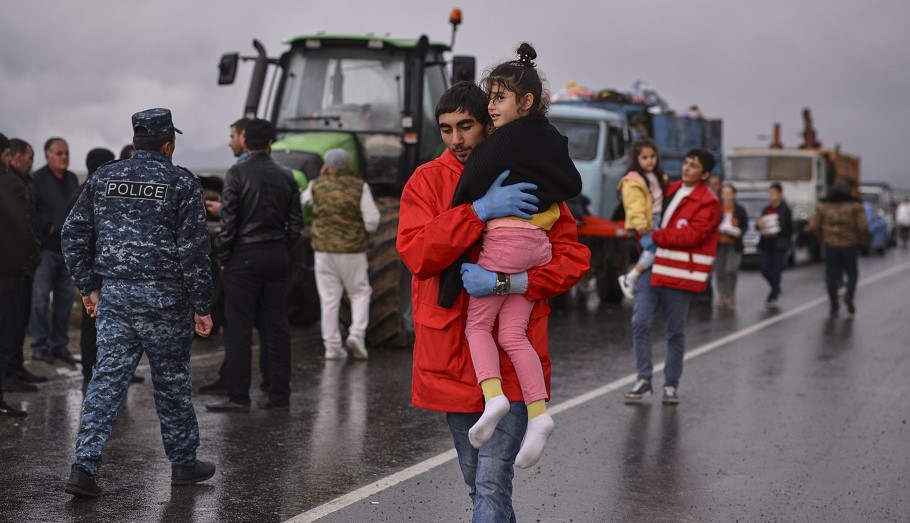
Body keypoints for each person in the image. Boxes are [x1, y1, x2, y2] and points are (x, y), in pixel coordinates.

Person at [398, 81, 590, 521]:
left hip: (509, 354)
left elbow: (573, 258)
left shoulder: (533, 175)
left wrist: (511, 281)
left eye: (466, 126)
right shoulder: (426, 181)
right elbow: (417, 253)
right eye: (446, 130)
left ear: (489, 122)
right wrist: (477, 212)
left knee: (490, 483)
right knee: (476, 478)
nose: (457, 140)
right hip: (450, 353)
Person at [438, 44, 581, 469]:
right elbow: (570, 182)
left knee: (478, 326)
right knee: (514, 335)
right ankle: (539, 415)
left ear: (526, 102)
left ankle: (494, 396)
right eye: (491, 98)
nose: (491, 107)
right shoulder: (550, 138)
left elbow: (470, 186)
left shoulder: (505, 141)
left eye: (499, 98)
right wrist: (546, 200)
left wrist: (474, 206)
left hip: (504, 244)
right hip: (536, 249)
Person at [61, 108, 216, 497]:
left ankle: (84, 467)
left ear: (135, 142)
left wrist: (88, 288)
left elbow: (72, 234)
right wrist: (202, 306)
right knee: (171, 381)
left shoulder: (103, 177)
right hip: (165, 299)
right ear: (168, 145)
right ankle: (183, 464)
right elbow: (195, 252)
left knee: (106, 380)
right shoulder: (181, 182)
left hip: (115, 296)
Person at [206, 119, 303, 413]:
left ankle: (238, 396)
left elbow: (229, 221)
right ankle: (279, 394)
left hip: (244, 258)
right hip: (276, 255)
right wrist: (279, 247)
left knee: (239, 328)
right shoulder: (287, 175)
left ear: (246, 140)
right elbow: (296, 225)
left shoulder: (237, 172)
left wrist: (224, 256)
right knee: (277, 327)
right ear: (271, 142)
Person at [624, 149, 721, 405]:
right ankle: (644, 379)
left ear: (705, 173)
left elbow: (690, 236)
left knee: (674, 331)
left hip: (678, 275)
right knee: (640, 322)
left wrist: (653, 237)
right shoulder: (669, 188)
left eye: (694, 166)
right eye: (686, 163)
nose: (687, 168)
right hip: (653, 269)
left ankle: (670, 384)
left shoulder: (709, 202)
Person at [75, 148, 145, 386]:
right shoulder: (89, 191)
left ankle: (114, 372)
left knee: (115, 330)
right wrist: (86, 279)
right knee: (93, 327)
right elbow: (73, 234)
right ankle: (89, 373)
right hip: (97, 270)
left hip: (107, 269)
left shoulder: (101, 189)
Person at [302, 148, 380, 360]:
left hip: (323, 252)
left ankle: (332, 347)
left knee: (329, 299)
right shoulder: (359, 187)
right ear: (347, 165)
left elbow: (304, 201)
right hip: (352, 251)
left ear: (326, 166)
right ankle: (356, 334)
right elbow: (372, 222)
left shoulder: (316, 186)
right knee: (359, 293)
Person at [28, 137, 81, 365]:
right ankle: (39, 345)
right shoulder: (36, 179)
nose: (64, 157)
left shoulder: (71, 178)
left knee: (65, 299)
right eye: (59, 153)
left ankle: (59, 345)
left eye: (66, 153)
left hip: (67, 250)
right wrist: (48, 227)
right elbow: (30, 209)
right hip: (46, 250)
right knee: (40, 299)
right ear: (47, 155)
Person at [1, 132, 41, 417]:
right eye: (5, 156)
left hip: (11, 266)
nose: (8, 161)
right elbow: (21, 225)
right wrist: (33, 253)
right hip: (9, 268)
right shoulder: (9, 183)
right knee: (7, 329)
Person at [806, 180, 867, 315]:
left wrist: (822, 238)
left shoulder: (823, 206)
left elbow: (814, 225)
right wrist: (860, 240)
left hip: (830, 245)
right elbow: (863, 226)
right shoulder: (855, 206)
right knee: (852, 273)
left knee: (831, 276)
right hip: (849, 245)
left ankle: (834, 305)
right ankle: (849, 295)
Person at [616, 137, 668, 300]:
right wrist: (639, 224)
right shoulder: (633, 180)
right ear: (636, 159)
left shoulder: (657, 176)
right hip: (647, 221)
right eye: (644, 157)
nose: (649, 161)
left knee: (655, 250)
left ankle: (637, 279)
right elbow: (634, 204)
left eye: (652, 156)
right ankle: (630, 277)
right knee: (654, 249)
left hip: (658, 219)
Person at [757, 182, 793, 308]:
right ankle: (776, 286)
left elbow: (788, 228)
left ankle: (773, 295)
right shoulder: (766, 209)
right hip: (767, 243)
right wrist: (760, 225)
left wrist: (776, 230)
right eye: (769, 193)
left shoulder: (785, 209)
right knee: (765, 269)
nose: (771, 196)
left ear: (779, 194)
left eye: (773, 193)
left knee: (776, 269)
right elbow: (759, 224)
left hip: (779, 244)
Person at [714, 184, 749, 310]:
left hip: (734, 244)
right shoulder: (717, 209)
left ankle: (731, 292)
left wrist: (738, 231)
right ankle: (722, 296)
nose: (727, 196)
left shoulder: (739, 210)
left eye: (729, 193)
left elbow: (745, 226)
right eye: (724, 193)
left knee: (730, 269)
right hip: (719, 244)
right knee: (720, 271)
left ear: (734, 195)